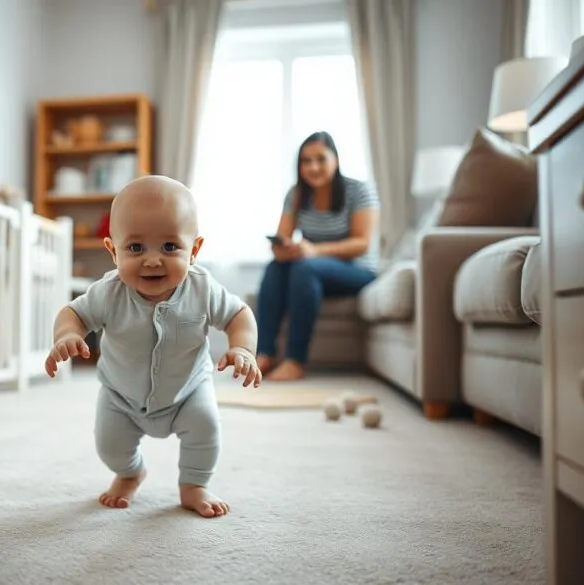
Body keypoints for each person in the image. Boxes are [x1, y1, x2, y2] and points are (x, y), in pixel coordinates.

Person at [44, 175, 261, 518]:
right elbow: (73, 312)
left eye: (170, 247)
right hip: (121, 395)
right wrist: (67, 335)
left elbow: (239, 315)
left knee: (206, 427)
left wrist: (243, 349)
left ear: (195, 249)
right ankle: (130, 472)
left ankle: (194, 484)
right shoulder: (108, 292)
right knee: (109, 445)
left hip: (189, 389)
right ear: (112, 251)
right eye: (135, 248)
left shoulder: (202, 288)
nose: (153, 260)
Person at [256, 131, 380, 381]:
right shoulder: (296, 195)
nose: (313, 167)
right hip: (311, 275)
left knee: (305, 267)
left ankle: (295, 360)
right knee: (274, 268)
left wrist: (314, 250)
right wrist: (282, 250)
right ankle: (264, 353)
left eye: (321, 159)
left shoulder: (359, 191)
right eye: (306, 161)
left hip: (356, 271)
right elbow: (283, 238)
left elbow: (362, 243)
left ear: (335, 160)